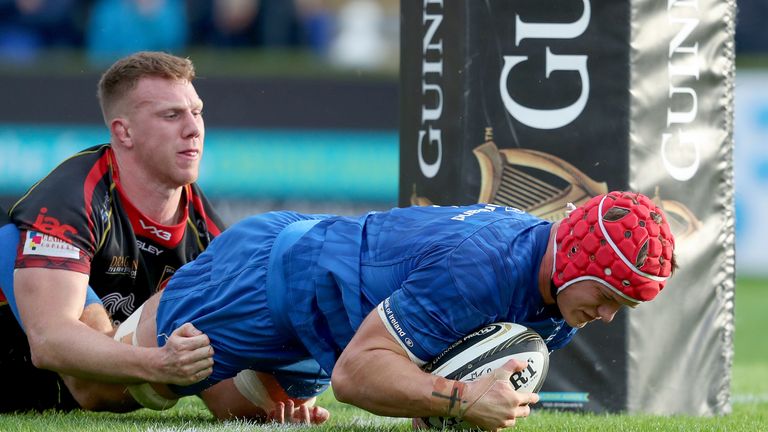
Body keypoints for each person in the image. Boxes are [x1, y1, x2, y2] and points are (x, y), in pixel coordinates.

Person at [99, 191, 676, 430]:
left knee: (249, 416)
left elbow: (436, 379)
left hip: (321, 321)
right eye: (607, 298)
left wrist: (452, 404)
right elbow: (355, 378)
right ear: (576, 263)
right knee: (107, 389)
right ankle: (61, 299)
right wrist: (465, 400)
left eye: (621, 308)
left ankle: (252, 372)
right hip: (265, 277)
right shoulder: (480, 270)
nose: (605, 317)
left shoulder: (559, 297)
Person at [0, 51, 226, 413]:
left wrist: (278, 395)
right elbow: (51, 342)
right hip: (41, 383)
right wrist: (159, 363)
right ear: (124, 131)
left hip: (71, 395)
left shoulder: (208, 231)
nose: (194, 128)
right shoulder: (70, 198)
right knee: (7, 240)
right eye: (172, 115)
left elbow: (223, 381)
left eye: (196, 112)